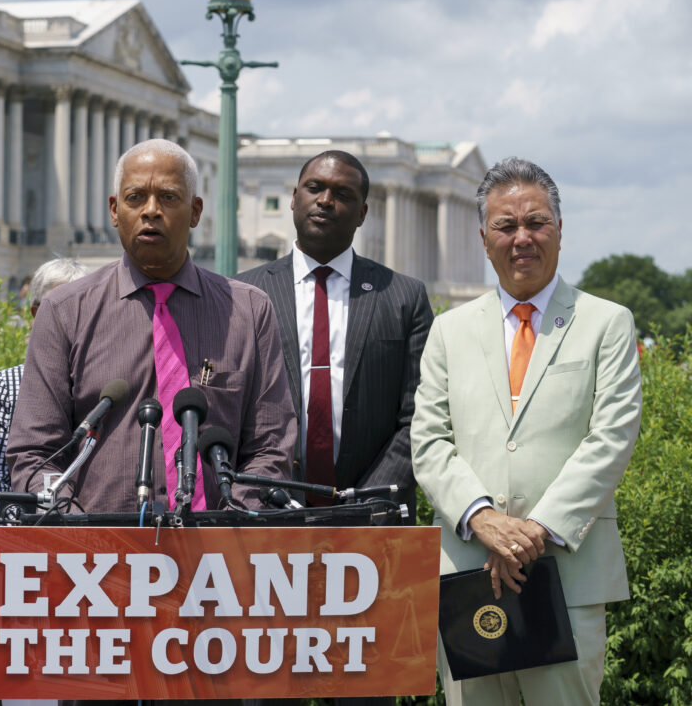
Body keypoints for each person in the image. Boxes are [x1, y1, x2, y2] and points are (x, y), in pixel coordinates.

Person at [411, 157, 642, 705]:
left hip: (569, 575)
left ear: (560, 230)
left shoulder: (606, 323)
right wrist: (483, 518)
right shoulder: (449, 331)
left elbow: (610, 438)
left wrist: (532, 531)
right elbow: (429, 441)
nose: (522, 238)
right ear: (484, 238)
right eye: (506, 225)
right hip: (470, 576)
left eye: (536, 222)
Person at [8, 139, 296, 512]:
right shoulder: (63, 311)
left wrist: (227, 524)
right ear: (114, 210)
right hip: (96, 559)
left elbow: (272, 446)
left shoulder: (249, 311)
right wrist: (77, 529)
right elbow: (35, 454)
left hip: (220, 555)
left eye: (169, 198)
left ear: (195, 212)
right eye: (135, 197)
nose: (151, 211)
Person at [238, 150, 432, 522]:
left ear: (362, 213)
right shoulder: (244, 294)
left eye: (343, 194)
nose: (326, 201)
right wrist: (260, 495)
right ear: (295, 198)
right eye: (315, 188)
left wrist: (367, 504)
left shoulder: (404, 297)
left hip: (376, 516)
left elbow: (419, 416)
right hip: (267, 516)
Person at [0, 256, 90, 519]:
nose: (70, 321)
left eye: (82, 310)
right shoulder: (7, 383)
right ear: (35, 314)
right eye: (58, 310)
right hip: (27, 541)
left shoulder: (108, 386)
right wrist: (26, 524)